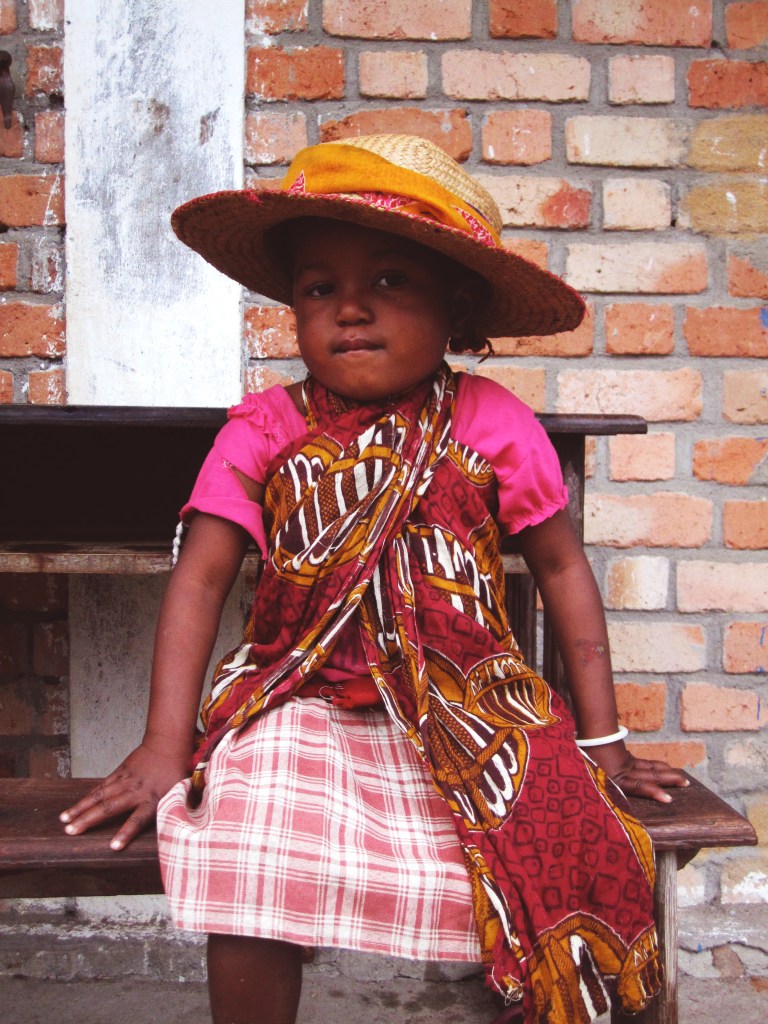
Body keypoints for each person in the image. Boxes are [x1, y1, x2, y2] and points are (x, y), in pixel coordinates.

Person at [60, 134, 689, 1024]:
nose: (350, 310)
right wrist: (166, 745)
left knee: (573, 841)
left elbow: (562, 570)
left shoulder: (492, 422)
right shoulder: (265, 429)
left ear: (456, 304)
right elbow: (198, 582)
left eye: (389, 280)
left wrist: (603, 742)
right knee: (251, 836)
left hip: (474, 707)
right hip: (301, 703)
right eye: (320, 289)